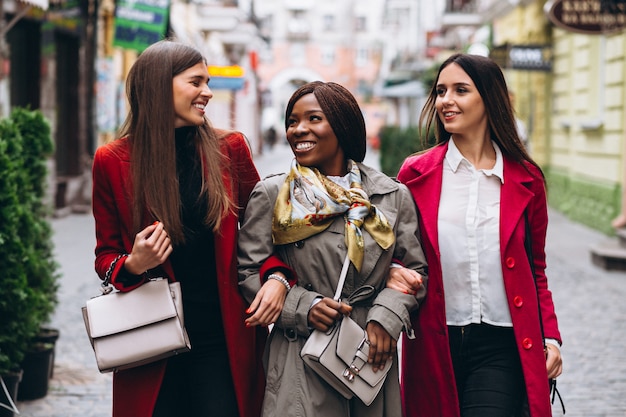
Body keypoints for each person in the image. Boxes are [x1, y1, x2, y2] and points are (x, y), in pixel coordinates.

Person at [91, 39, 265, 417]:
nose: (207, 93)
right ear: (159, 84)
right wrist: (134, 262)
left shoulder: (230, 149)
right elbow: (104, 255)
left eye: (207, 82)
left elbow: (264, 236)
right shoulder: (112, 160)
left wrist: (277, 279)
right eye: (196, 82)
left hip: (223, 338)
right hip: (150, 341)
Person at [237, 81, 428, 417]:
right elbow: (248, 272)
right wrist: (302, 306)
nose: (299, 130)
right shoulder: (273, 195)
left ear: (342, 125)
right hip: (301, 358)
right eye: (293, 121)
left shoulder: (390, 196)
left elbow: (414, 271)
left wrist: (385, 318)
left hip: (368, 356)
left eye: (313, 119)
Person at [388, 53, 563, 417]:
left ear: (488, 98)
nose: (445, 101)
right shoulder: (414, 173)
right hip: (435, 339)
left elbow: (536, 268)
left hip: (502, 342)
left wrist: (550, 337)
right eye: (441, 91)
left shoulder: (526, 178)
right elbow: (397, 254)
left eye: (460, 90)